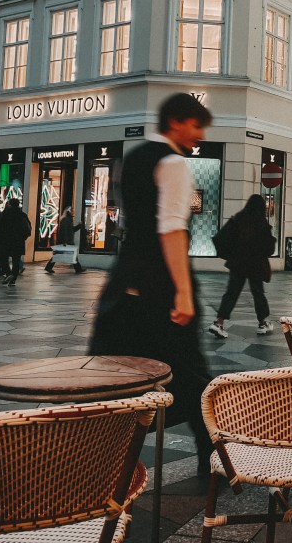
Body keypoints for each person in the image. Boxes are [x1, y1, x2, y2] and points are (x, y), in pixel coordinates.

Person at [90, 93, 215, 485]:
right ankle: (211, 458)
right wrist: (182, 291)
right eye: (196, 126)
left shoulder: (135, 155)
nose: (199, 136)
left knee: (113, 372)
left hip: (125, 278)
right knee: (191, 373)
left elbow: (139, 222)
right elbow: (173, 228)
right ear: (177, 122)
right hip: (161, 282)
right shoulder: (174, 162)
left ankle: (97, 459)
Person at [208, 195, 276, 338]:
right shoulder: (261, 223)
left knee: (231, 293)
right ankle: (263, 323)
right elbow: (269, 249)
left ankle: (219, 322)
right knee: (258, 293)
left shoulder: (238, 219)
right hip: (255, 264)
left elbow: (221, 238)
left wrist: (231, 253)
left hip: (238, 263)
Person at [0, 198, 32, 286]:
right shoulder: (22, 215)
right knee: (16, 260)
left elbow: (0, 228)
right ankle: (13, 278)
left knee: (3, 258)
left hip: (6, 240)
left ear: (9, 204)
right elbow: (28, 229)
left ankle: (8, 274)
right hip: (18, 241)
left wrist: (1, 238)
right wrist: (23, 237)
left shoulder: (5, 214)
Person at [45, 207, 86, 274]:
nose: (73, 212)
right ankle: (78, 269)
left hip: (66, 241)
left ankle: (48, 267)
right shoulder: (65, 220)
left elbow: (71, 230)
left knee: (60, 255)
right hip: (66, 242)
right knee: (60, 255)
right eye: (72, 211)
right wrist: (65, 241)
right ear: (68, 212)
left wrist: (79, 226)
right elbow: (64, 231)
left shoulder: (68, 220)